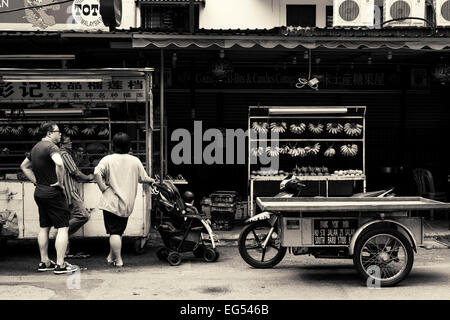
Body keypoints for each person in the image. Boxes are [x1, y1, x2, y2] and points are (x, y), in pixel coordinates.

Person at [20, 121, 77, 274]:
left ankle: (44, 261)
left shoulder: (36, 147)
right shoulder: (52, 147)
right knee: (63, 227)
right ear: (49, 133)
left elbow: (24, 166)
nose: (60, 134)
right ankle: (60, 264)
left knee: (44, 228)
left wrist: (36, 181)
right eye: (57, 131)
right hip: (53, 193)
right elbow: (59, 163)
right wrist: (59, 182)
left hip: (39, 192)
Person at [94, 132, 155, 267]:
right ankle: (111, 257)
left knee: (114, 232)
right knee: (118, 232)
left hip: (111, 202)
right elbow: (143, 178)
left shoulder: (107, 159)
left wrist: (103, 188)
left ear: (113, 145)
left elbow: (96, 172)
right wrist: (152, 181)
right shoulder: (135, 161)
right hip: (127, 203)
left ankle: (118, 259)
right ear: (129, 145)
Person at [59, 135, 94, 257]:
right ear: (62, 144)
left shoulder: (60, 154)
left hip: (65, 192)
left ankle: (64, 251)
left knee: (69, 218)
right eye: (68, 142)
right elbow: (76, 172)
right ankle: (61, 232)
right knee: (83, 215)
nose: (71, 144)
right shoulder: (64, 155)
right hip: (71, 192)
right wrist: (88, 177)